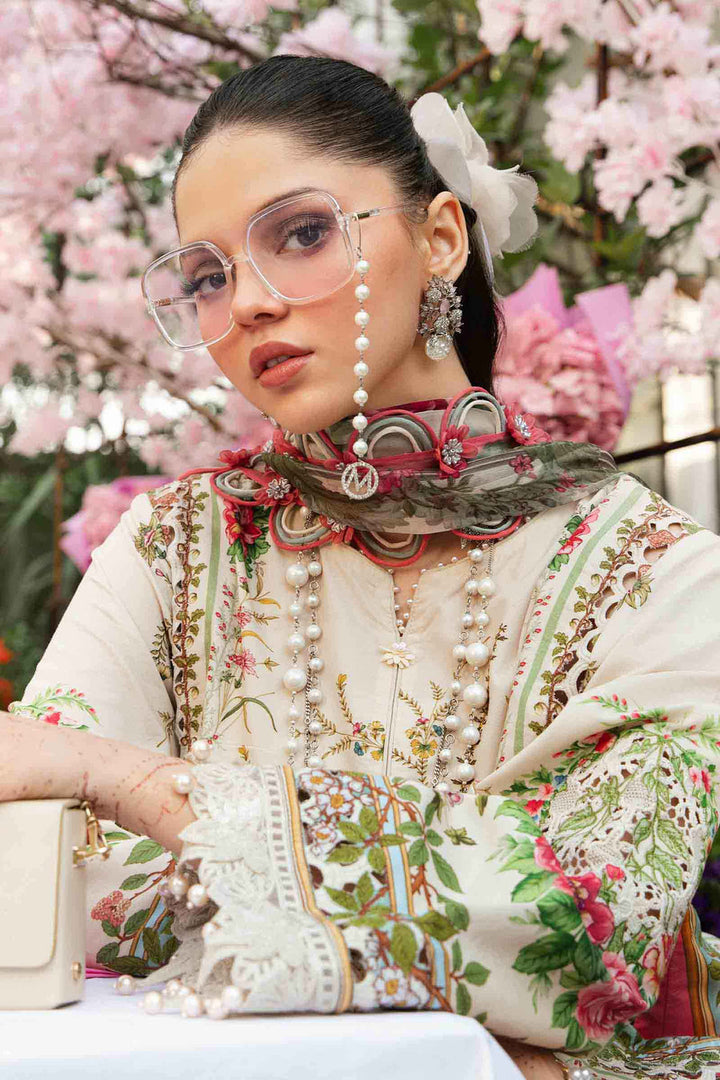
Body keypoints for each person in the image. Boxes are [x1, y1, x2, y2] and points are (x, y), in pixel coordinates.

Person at [3, 55, 720, 1080]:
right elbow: (50, 876)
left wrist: (136, 787)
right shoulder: (173, 551)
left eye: (300, 235)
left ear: (438, 238)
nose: (245, 302)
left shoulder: (659, 572)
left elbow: (585, 916)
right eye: (206, 276)